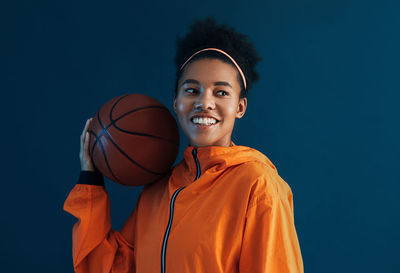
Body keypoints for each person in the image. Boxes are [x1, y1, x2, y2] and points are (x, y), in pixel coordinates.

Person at [63, 16, 304, 273]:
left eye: (221, 92)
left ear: (240, 107)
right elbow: (103, 269)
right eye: (191, 90)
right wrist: (91, 181)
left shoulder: (257, 186)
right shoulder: (157, 192)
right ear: (176, 101)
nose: (204, 102)